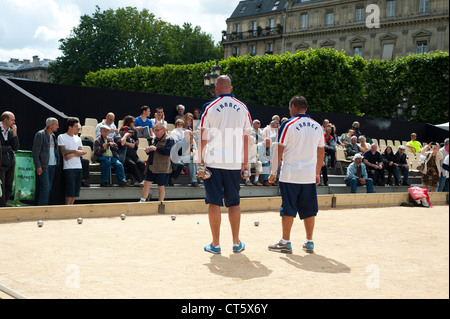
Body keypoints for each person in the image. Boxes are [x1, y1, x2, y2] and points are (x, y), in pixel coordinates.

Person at [198, 75, 252, 254]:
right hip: (234, 162)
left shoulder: (209, 107)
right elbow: (247, 138)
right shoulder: (243, 107)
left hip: (213, 161)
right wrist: (245, 163)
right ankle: (236, 243)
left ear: (216, 89)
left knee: (214, 202)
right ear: (231, 88)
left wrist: (200, 161)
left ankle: (215, 244)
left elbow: (203, 136)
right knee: (234, 202)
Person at [267, 95, 325, 254]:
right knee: (309, 209)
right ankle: (309, 242)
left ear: (293, 107)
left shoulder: (288, 124)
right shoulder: (317, 126)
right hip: (309, 176)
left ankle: (285, 242)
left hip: (290, 175)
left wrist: (273, 172)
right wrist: (317, 173)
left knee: (288, 208)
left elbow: (279, 149)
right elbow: (321, 152)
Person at [140, 123, 174, 202]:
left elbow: (169, 152)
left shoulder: (169, 139)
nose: (155, 132)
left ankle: (160, 203)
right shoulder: (154, 139)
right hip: (151, 165)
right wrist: (148, 151)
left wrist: (156, 149)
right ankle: (142, 201)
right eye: (155, 130)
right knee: (146, 183)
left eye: (157, 130)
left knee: (161, 186)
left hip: (162, 167)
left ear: (163, 130)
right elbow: (152, 151)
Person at [32, 117, 60, 206]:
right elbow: (35, 152)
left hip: (52, 165)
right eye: (56, 124)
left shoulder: (53, 136)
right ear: (50, 125)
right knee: (46, 187)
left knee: (48, 187)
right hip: (44, 166)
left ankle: (44, 206)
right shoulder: (40, 134)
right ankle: (42, 207)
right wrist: (38, 166)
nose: (58, 127)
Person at [57, 118, 86, 205]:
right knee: (70, 189)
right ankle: (67, 207)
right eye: (76, 126)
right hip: (69, 168)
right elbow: (63, 152)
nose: (78, 128)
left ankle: (71, 207)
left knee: (76, 191)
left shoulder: (78, 138)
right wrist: (75, 152)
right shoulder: (62, 137)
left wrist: (72, 153)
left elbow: (80, 152)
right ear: (70, 127)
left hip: (78, 167)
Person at [170, 119, 198, 187]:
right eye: (190, 135)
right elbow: (185, 154)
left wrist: (194, 156)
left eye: (191, 135)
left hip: (187, 159)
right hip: (178, 159)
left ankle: (194, 181)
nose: (191, 137)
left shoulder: (190, 141)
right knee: (192, 159)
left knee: (193, 161)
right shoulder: (181, 142)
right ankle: (195, 179)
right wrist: (191, 144)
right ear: (185, 135)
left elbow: (194, 150)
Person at [118, 116, 145, 186]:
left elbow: (135, 145)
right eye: (133, 122)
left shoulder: (132, 138)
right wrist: (126, 137)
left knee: (141, 164)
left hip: (134, 155)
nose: (130, 133)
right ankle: (139, 181)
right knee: (132, 164)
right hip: (125, 155)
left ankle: (139, 180)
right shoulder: (119, 138)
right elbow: (122, 143)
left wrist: (128, 143)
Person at [0, 111, 20, 207]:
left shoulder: (11, 131)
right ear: (5, 120)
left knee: (9, 186)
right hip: (1, 163)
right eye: (12, 120)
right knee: (1, 186)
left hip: (10, 163)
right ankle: (2, 205)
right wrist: (8, 148)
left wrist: (15, 133)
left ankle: (4, 204)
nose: (14, 122)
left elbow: (15, 147)